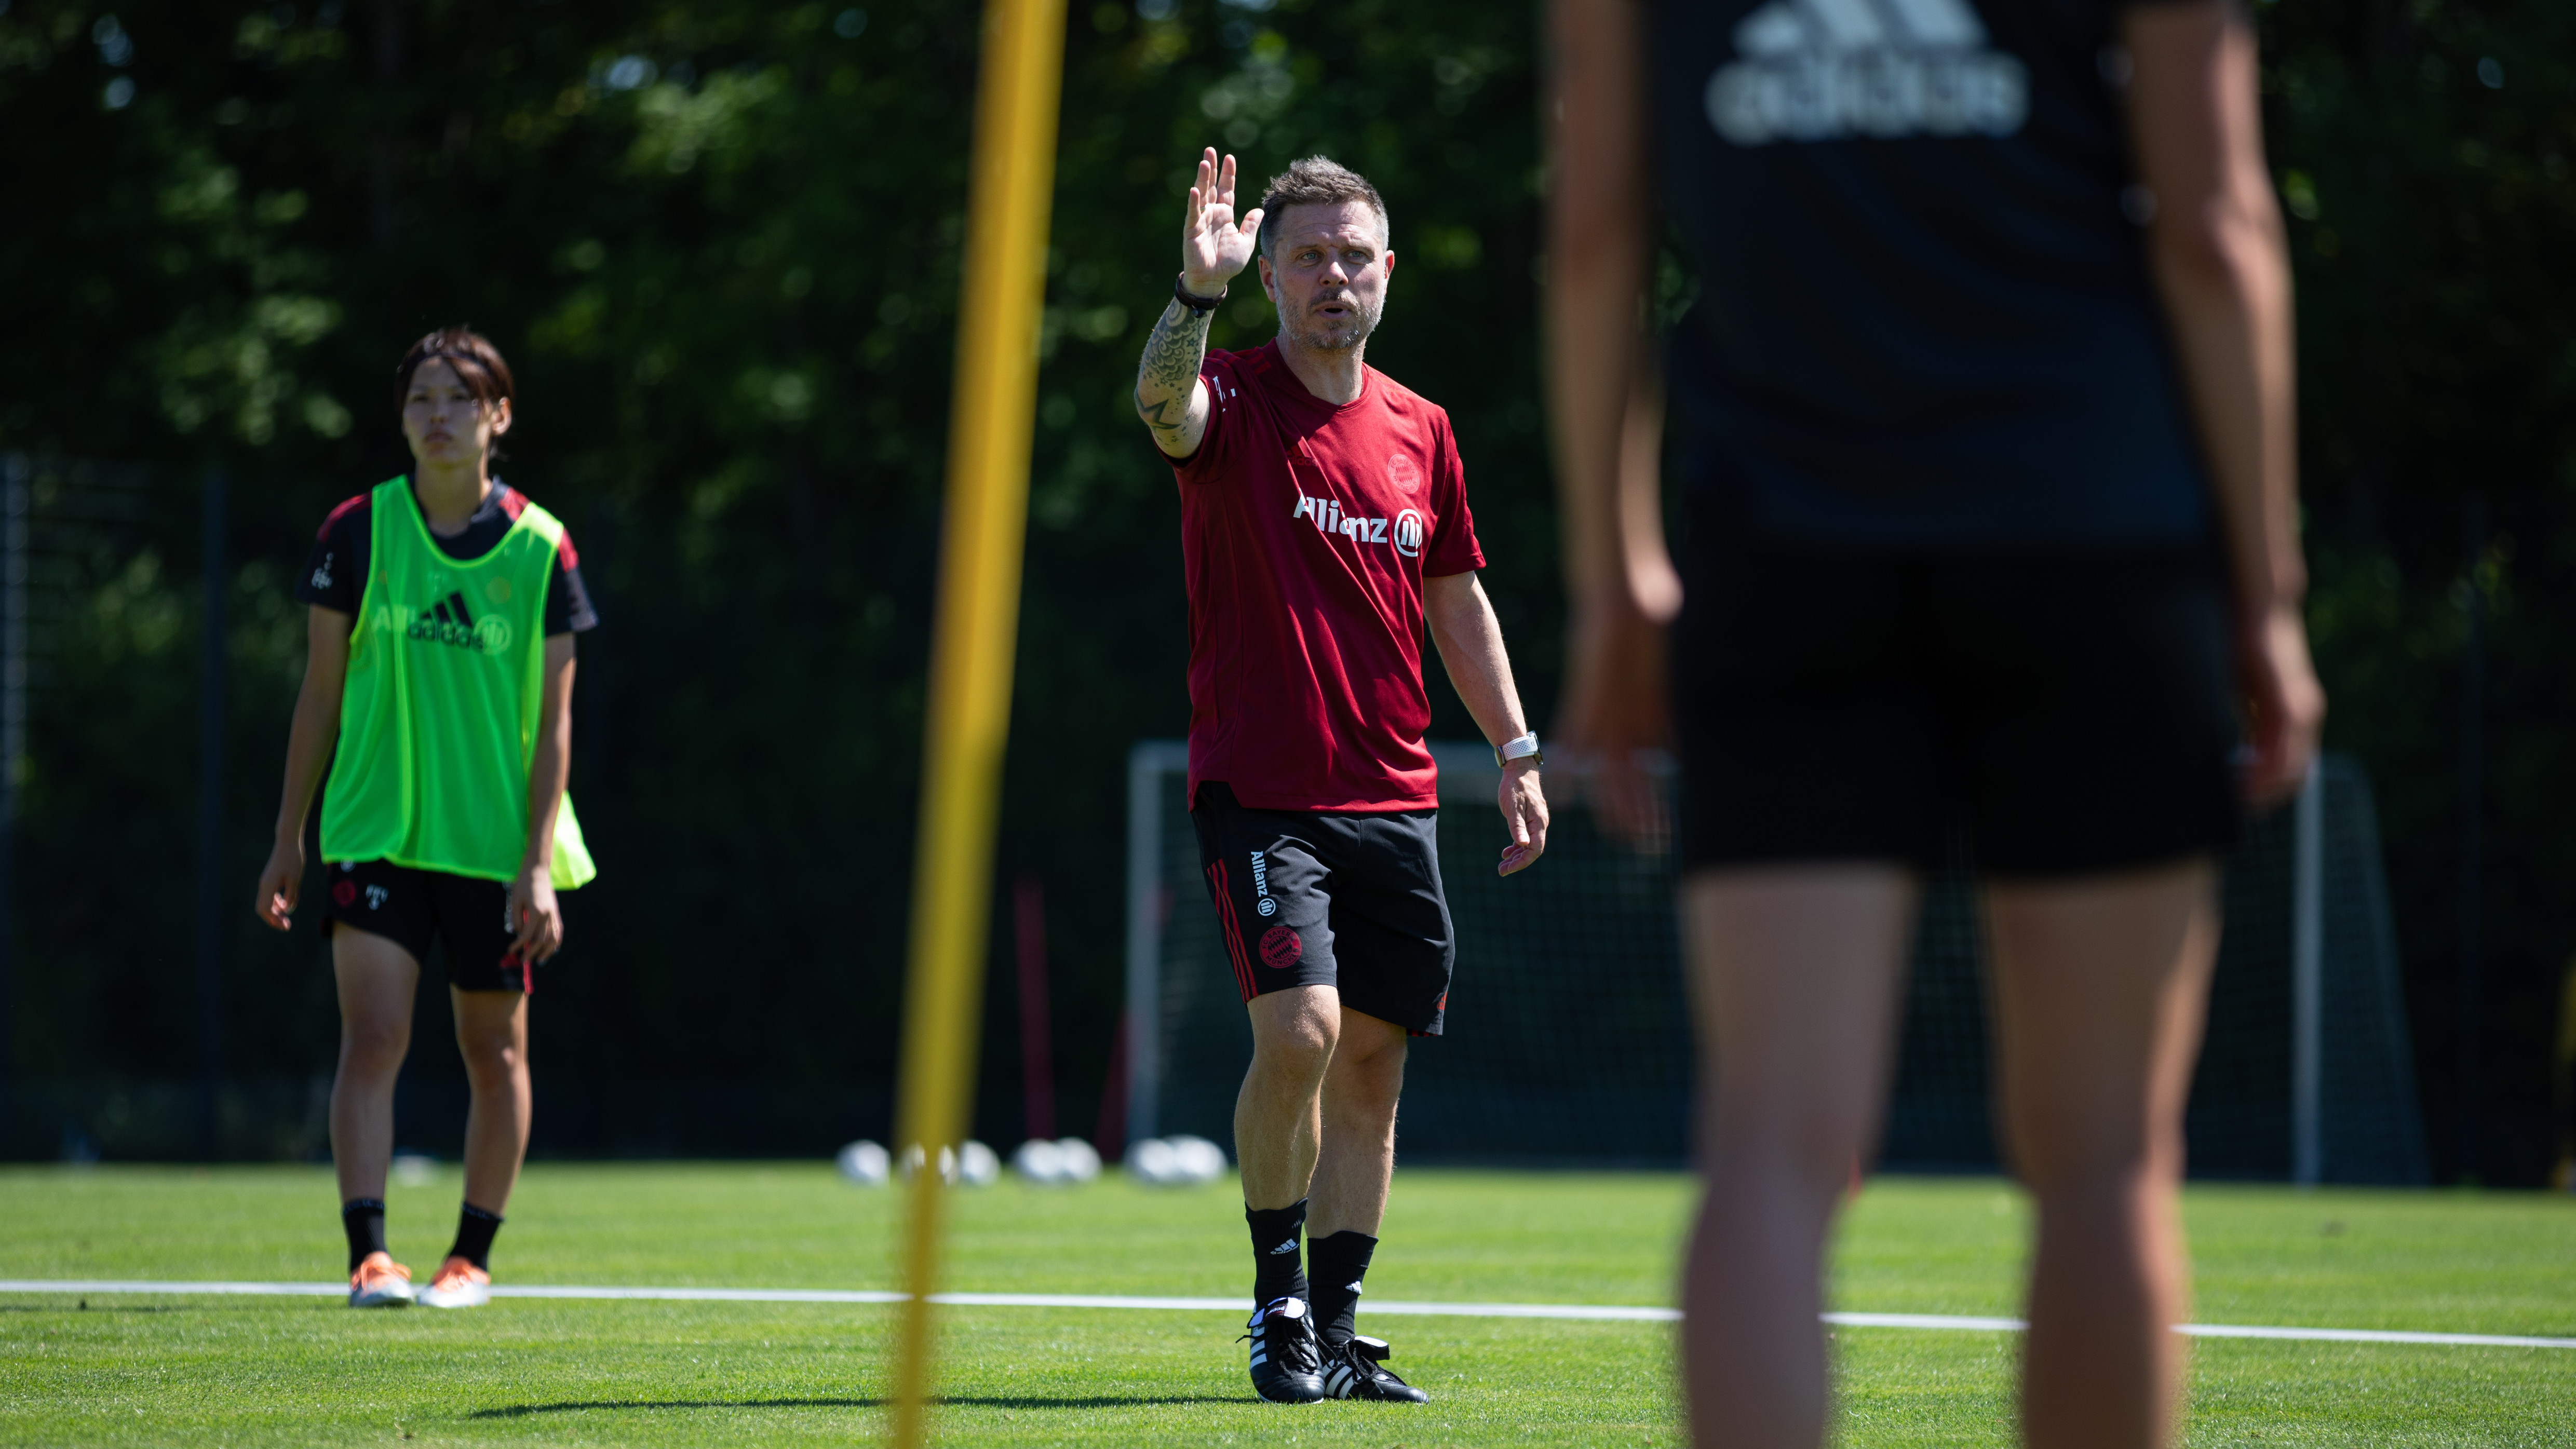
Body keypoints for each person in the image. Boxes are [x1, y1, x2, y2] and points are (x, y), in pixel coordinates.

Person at [1545, 2, 2324, 1446]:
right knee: (2104, 1160)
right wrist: (2266, 591)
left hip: (1784, 550)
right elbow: (2215, 225)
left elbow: (1594, 233)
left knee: (1771, 1145)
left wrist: (1611, 579)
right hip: (2091, 535)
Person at [1132, 150, 1550, 1404]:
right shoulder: (1232, 396)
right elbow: (1162, 409)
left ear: (1385, 271)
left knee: (1372, 1067)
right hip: (1263, 788)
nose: (1333, 276)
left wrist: (1517, 750)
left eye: (1352, 254)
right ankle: (1272, 1306)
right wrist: (1188, 301)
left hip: (1396, 795)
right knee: (1301, 1030)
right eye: (1308, 255)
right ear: (1269, 274)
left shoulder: (1421, 427)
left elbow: (1455, 596)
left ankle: (1334, 1322)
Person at [253, 328, 599, 1310]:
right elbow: (318, 696)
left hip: (493, 847)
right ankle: (371, 1256)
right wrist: (290, 837)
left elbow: (556, 724)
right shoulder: (357, 532)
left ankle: (470, 1259)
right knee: (372, 1037)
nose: (436, 417)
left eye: (457, 399)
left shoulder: (542, 545)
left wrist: (537, 865)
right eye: (419, 400)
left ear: (498, 416)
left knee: (495, 1052)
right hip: (377, 828)